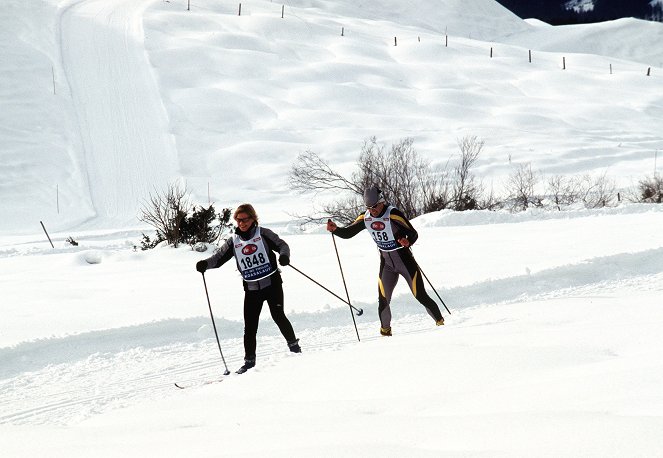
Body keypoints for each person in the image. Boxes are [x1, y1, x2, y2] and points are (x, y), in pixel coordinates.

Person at [196, 203, 301, 374]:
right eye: (238, 220)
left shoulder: (264, 234)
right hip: (252, 289)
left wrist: (284, 256)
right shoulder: (234, 241)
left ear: (253, 219)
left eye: (245, 219)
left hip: (272, 284)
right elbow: (218, 258)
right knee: (250, 326)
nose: (242, 223)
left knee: (278, 316)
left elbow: (283, 245)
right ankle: (249, 362)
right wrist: (205, 264)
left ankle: (295, 349)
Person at [326, 186, 445, 336]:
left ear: (381, 202)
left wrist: (407, 242)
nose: (372, 210)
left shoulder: (393, 214)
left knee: (420, 295)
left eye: (374, 206)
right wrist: (335, 229)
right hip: (387, 264)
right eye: (368, 207)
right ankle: (385, 333)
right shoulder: (365, 217)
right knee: (383, 300)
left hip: (405, 261)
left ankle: (441, 324)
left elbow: (413, 234)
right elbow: (348, 233)